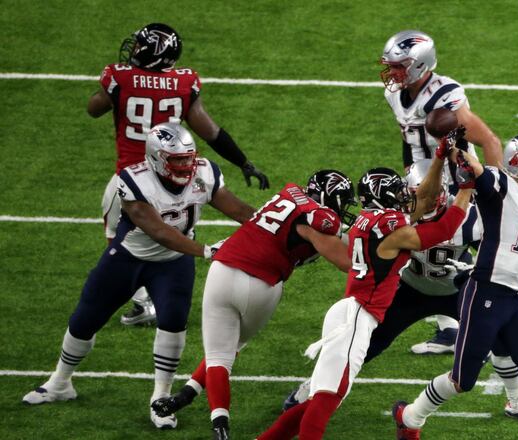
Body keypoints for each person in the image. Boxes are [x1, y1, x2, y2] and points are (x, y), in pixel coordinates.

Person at [21, 123, 256, 431]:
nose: (186, 165)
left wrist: (273, 225)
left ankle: (161, 398)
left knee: (173, 323)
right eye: (178, 160)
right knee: (85, 318)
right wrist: (208, 252)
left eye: (189, 158)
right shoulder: (134, 180)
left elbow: (237, 208)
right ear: (158, 159)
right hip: (130, 258)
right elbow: (159, 231)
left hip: (173, 264)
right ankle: (60, 382)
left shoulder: (205, 172)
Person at [282, 159, 518, 423]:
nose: (426, 198)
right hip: (410, 288)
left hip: (456, 288)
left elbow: (494, 251)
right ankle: (312, 389)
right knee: (365, 343)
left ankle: (517, 401)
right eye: (417, 194)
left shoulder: (469, 216)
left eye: (433, 193)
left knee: (501, 335)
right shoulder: (397, 219)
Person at [256, 146, 473, 440]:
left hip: (350, 312)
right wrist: (466, 188)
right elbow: (443, 228)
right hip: (357, 318)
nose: (406, 198)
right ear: (385, 196)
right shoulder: (391, 227)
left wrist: (438, 157)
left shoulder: (371, 221)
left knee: (320, 399)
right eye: (398, 194)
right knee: (325, 402)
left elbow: (421, 202)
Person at [393, 134, 518, 440]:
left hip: (513, 299)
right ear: (512, 160)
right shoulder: (500, 185)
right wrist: (456, 146)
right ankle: (410, 416)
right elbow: (475, 169)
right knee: (461, 381)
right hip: (484, 293)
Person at [150, 170, 357, 439]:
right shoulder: (319, 220)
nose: (345, 207)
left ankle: (209, 418)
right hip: (263, 286)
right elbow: (346, 261)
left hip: (225, 268)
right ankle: (188, 400)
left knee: (219, 356)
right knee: (229, 348)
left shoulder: (290, 194)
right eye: (342, 201)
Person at [88, 22, 269, 326]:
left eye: (140, 45)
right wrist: (243, 162)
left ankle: (139, 302)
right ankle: (272, 235)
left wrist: (110, 90)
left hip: (131, 177)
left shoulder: (119, 78)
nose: (134, 49)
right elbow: (210, 132)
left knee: (120, 243)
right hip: (177, 176)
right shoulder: (184, 84)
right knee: (176, 233)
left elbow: (93, 108)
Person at [380, 29, 502, 354]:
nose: (392, 73)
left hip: (458, 179)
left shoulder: (445, 95)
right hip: (425, 179)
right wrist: (412, 174)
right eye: (390, 66)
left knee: (476, 246)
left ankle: (498, 319)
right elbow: (410, 139)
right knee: (428, 248)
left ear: (419, 64)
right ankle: (449, 328)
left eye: (398, 66)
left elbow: (489, 140)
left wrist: (497, 191)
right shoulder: (395, 94)